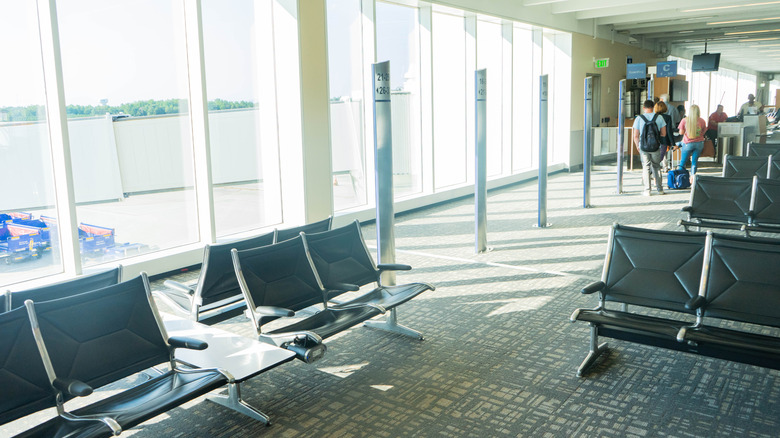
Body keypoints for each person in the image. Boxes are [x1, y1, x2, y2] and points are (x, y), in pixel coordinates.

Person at [633, 99, 667, 196]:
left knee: (646, 167)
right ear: (653, 107)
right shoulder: (659, 117)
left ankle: (647, 190)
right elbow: (663, 134)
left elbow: (635, 135)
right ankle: (660, 189)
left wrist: (638, 146)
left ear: (644, 108)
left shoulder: (639, 118)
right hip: (656, 146)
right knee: (656, 166)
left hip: (643, 147)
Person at [677, 104, 707, 177]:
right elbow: (704, 132)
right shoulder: (702, 121)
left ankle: (679, 178)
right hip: (699, 143)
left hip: (687, 143)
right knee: (694, 162)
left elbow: (681, 132)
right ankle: (692, 178)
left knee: (682, 162)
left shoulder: (684, 120)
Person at [654, 101, 675, 171]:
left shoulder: (653, 117)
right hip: (664, 140)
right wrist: (673, 142)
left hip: (654, 140)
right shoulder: (667, 117)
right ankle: (664, 167)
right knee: (662, 155)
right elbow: (669, 131)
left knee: (654, 156)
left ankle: (653, 170)